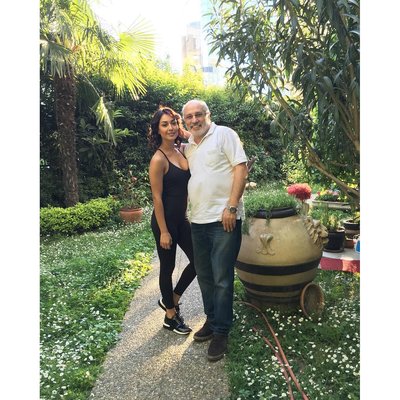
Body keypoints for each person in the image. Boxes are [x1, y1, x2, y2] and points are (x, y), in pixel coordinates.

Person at [181, 99, 248, 361]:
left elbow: (240, 168)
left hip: (224, 220)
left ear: (208, 114)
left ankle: (221, 331)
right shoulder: (189, 147)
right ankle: (212, 319)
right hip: (198, 221)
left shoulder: (225, 134)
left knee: (222, 278)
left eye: (198, 114)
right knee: (205, 275)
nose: (194, 120)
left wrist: (232, 206)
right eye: (189, 117)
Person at [148, 106, 197, 335]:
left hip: (181, 219)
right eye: (164, 124)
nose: (170, 128)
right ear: (157, 130)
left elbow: (198, 140)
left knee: (199, 261)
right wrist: (164, 231)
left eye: (173, 123)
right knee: (167, 268)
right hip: (164, 222)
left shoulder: (181, 150)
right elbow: (157, 198)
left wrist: (185, 133)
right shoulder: (159, 159)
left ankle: (172, 299)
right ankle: (170, 316)